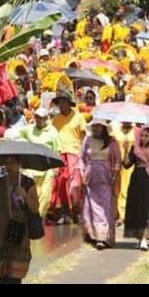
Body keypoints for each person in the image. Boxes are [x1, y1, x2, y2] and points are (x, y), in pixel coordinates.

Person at [0, 155, 39, 284]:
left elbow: (35, 208)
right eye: (7, 163)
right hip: (0, 232)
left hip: (19, 233)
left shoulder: (27, 183)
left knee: (15, 274)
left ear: (19, 164)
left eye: (12, 163)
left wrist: (25, 195)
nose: (9, 166)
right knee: (2, 272)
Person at [5, 106, 61, 220]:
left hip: (47, 169)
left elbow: (57, 150)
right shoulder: (29, 129)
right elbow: (13, 133)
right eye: (38, 118)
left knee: (45, 197)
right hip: (31, 169)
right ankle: (32, 219)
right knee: (31, 195)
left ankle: (40, 219)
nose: (40, 120)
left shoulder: (52, 131)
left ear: (46, 118)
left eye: (42, 118)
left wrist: (56, 168)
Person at [78, 119, 121, 250]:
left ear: (103, 128)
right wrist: (82, 173)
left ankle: (105, 236)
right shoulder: (87, 140)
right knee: (91, 206)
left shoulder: (112, 142)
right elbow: (82, 158)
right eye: (94, 126)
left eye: (98, 126)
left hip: (106, 178)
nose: (96, 129)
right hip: (90, 178)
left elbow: (117, 160)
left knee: (105, 206)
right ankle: (95, 236)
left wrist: (114, 176)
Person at [122, 126, 149, 251]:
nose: (143, 138)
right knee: (137, 208)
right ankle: (140, 238)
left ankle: (145, 238)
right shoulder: (135, 149)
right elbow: (126, 165)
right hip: (136, 181)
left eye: (146, 136)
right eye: (142, 135)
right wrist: (125, 151)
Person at [50, 91, 86, 224]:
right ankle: (65, 214)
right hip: (60, 155)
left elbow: (84, 136)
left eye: (64, 102)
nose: (61, 105)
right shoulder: (55, 120)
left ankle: (78, 211)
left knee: (75, 185)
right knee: (60, 185)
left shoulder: (78, 117)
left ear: (69, 103)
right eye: (59, 102)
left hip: (75, 154)